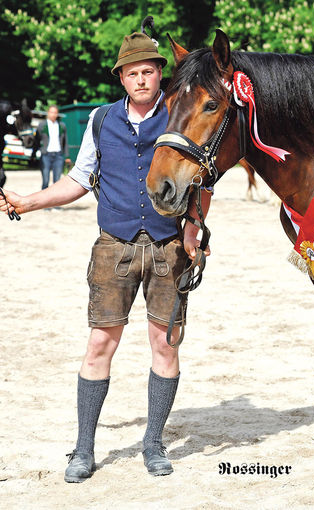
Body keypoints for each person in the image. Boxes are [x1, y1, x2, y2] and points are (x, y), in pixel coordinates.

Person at [0, 28, 211, 482]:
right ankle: (84, 449)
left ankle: (153, 444)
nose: (141, 79)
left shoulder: (180, 116)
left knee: (164, 344)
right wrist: (29, 201)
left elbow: (202, 181)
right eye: (132, 72)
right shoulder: (100, 120)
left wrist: (193, 228)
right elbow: (78, 179)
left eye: (148, 71)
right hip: (112, 246)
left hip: (167, 247)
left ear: (160, 75)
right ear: (122, 78)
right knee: (100, 343)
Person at [35, 105, 71, 189]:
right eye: (51, 112)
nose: (53, 114)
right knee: (45, 181)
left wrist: (67, 156)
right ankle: (44, 200)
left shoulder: (62, 125)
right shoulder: (42, 125)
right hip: (46, 155)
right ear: (48, 113)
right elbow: (36, 140)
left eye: (55, 113)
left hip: (58, 155)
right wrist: (35, 152)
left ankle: (55, 201)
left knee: (57, 182)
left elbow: (65, 142)